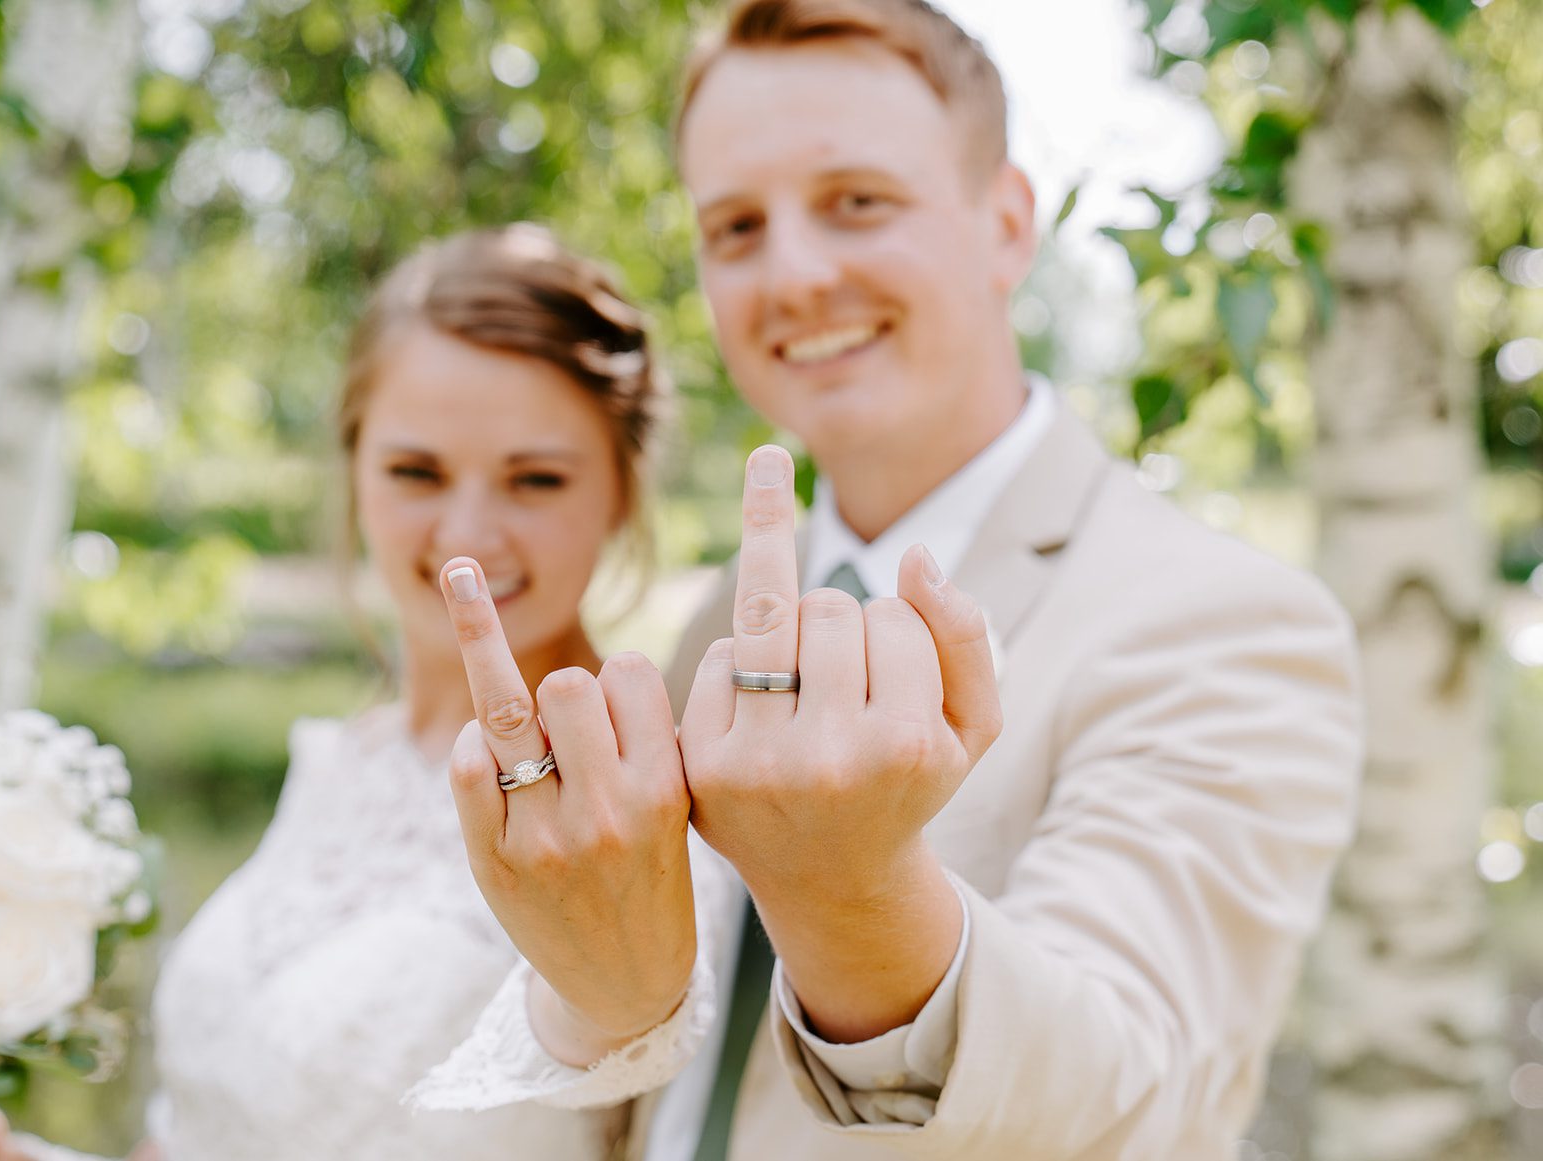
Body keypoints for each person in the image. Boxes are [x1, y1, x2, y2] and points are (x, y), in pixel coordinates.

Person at [429, 2, 1364, 1159]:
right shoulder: (718, 622)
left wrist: (849, 894)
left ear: (1007, 224)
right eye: (734, 227)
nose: (797, 275)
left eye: (856, 203)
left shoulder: (1223, 620)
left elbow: (1138, 1098)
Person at [0, 224, 712, 1161]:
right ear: (353, 469)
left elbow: (617, 1019)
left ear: (622, 494)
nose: (467, 534)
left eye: (537, 479)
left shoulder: (640, 802)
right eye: (415, 472)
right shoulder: (341, 759)